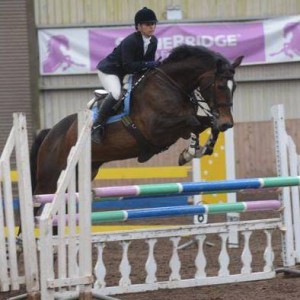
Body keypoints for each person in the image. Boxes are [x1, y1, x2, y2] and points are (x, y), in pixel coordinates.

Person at [92, 7, 160, 143]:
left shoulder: (153, 41)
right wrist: (149, 64)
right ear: (139, 27)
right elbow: (129, 65)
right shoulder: (131, 41)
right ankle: (97, 126)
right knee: (116, 94)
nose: (152, 27)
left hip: (123, 73)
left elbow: (147, 65)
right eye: (148, 24)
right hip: (109, 71)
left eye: (153, 24)